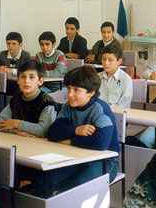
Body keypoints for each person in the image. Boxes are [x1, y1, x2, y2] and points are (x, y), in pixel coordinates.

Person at [25, 66, 120, 198]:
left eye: (76, 90)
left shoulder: (100, 109)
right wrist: (77, 130)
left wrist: (69, 141)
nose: (70, 94)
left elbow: (101, 143)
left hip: (105, 161)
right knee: (42, 181)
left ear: (91, 93)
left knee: (74, 189)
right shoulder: (68, 106)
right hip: (76, 157)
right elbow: (52, 132)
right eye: (69, 88)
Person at [0, 60, 57, 138]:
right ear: (18, 80)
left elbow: (44, 130)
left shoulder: (47, 102)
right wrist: (15, 131)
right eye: (23, 76)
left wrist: (17, 124)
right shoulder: (15, 100)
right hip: (20, 141)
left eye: (31, 77)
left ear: (40, 81)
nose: (26, 81)